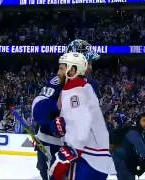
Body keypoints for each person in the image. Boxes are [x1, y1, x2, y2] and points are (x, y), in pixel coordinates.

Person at [49, 52, 116, 180]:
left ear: (72, 70)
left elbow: (81, 130)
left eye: (62, 68)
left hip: (86, 161)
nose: (58, 73)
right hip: (97, 160)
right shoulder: (84, 87)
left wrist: (63, 158)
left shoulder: (74, 89)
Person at [111, 112, 145, 180]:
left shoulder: (142, 132)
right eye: (144, 120)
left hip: (127, 159)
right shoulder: (133, 132)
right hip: (121, 160)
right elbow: (143, 151)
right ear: (138, 122)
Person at [31, 76, 64, 180]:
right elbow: (39, 106)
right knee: (45, 171)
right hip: (48, 141)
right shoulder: (57, 80)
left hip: (61, 144)